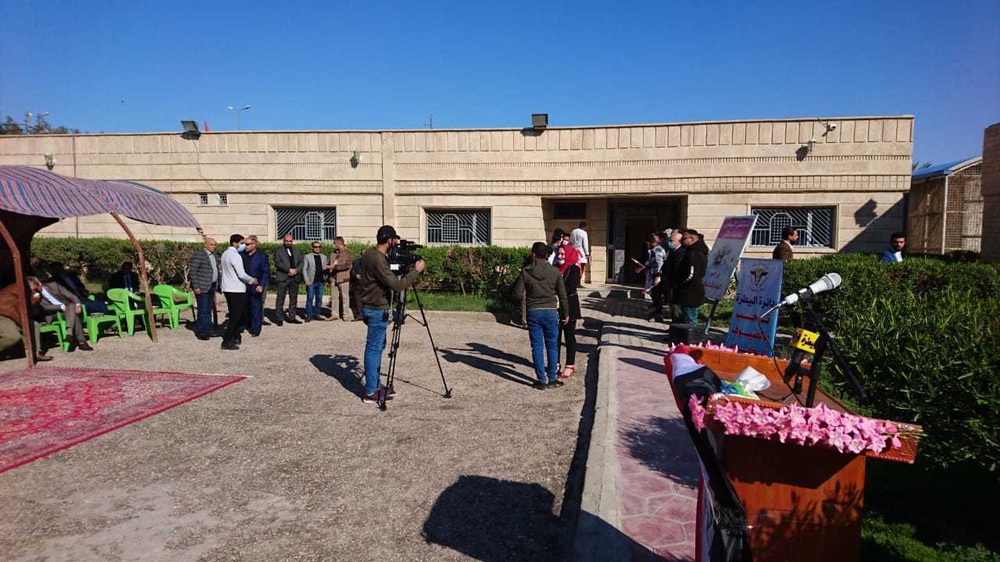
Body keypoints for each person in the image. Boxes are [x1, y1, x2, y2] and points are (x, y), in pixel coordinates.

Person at [358, 225, 426, 403]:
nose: (395, 243)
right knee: (374, 349)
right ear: (389, 240)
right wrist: (416, 271)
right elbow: (397, 286)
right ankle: (371, 391)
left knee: (377, 348)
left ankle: (375, 384)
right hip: (376, 308)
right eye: (394, 240)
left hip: (370, 305)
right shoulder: (379, 260)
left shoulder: (369, 254)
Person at [514, 241, 569, 390]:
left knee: (537, 347)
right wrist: (565, 313)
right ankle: (552, 378)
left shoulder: (525, 272)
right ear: (546, 255)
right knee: (552, 346)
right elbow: (563, 295)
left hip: (533, 311)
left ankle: (541, 380)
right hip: (551, 311)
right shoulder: (555, 272)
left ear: (533, 255)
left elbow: (517, 294)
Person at [220, 234, 258, 351]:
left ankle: (235, 336)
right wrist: (252, 280)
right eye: (241, 243)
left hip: (227, 288)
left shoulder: (225, 254)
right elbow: (241, 274)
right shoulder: (235, 255)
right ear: (235, 243)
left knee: (233, 313)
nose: (243, 246)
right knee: (236, 316)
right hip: (236, 289)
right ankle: (226, 340)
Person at [0, 278, 50, 361]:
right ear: (31, 285)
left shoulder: (24, 290)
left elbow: (26, 309)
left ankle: (36, 353)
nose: (38, 291)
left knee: (35, 325)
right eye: (36, 288)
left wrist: (36, 298)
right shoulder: (19, 288)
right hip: (3, 314)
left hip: (12, 316)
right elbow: (27, 308)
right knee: (13, 337)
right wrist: (35, 297)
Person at [40, 277, 92, 351]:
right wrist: (60, 307)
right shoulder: (35, 295)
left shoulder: (54, 286)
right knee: (74, 314)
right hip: (53, 313)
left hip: (68, 310)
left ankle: (70, 333)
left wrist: (78, 305)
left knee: (72, 306)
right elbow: (44, 307)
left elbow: (72, 296)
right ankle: (81, 342)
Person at [555, 245, 583, 380]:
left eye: (562, 254)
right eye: (558, 254)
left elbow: (571, 287)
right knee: (555, 336)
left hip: (570, 306)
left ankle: (569, 365)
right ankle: (555, 363)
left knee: (569, 335)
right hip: (556, 306)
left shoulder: (574, 268)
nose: (559, 257)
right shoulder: (555, 268)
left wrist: (557, 288)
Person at [672, 229, 708, 325]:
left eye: (683, 239)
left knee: (690, 320)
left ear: (691, 239)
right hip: (685, 291)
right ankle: (680, 338)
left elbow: (690, 274)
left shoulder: (694, 253)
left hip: (690, 291)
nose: (681, 241)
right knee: (683, 318)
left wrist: (679, 283)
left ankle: (691, 339)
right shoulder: (690, 251)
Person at [189, 237, 219, 340]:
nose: (214, 246)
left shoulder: (213, 255)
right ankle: (202, 332)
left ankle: (208, 329)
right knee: (203, 309)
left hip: (211, 285)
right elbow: (193, 271)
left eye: (215, 245)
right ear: (205, 245)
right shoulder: (200, 254)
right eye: (211, 244)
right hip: (202, 287)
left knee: (208, 309)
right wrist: (196, 286)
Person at [273, 233, 304, 325]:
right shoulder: (278, 250)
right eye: (286, 241)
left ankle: (292, 317)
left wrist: (297, 270)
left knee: (293, 298)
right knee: (280, 298)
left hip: (295, 277)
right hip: (283, 277)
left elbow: (301, 262)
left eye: (290, 241)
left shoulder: (297, 250)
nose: (288, 243)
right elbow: (277, 263)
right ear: (283, 240)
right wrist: (288, 270)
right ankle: (279, 318)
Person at [242, 235, 269, 337]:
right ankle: (246, 324)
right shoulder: (242, 255)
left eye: (248, 244)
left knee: (256, 308)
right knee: (245, 307)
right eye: (245, 244)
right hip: (244, 286)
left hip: (256, 286)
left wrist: (262, 285)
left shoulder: (262, 256)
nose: (246, 246)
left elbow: (265, 272)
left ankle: (256, 329)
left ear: (255, 244)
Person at [638, 233, 667, 322]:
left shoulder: (657, 250)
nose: (647, 245)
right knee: (654, 295)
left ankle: (657, 314)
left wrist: (657, 276)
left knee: (656, 296)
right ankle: (656, 313)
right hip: (653, 274)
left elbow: (659, 264)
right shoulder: (654, 249)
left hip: (656, 275)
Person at [302, 241, 329, 322]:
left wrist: (326, 277)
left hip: (321, 281)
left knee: (319, 299)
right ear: (312, 247)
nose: (317, 248)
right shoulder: (307, 257)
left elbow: (326, 269)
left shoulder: (324, 257)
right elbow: (304, 269)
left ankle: (317, 314)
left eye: (319, 247)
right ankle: (309, 315)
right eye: (315, 247)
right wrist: (306, 280)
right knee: (310, 298)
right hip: (311, 281)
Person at [329, 237, 355, 321]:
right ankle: (334, 314)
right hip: (333, 278)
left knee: (345, 297)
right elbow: (331, 264)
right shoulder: (333, 253)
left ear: (339, 243)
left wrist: (335, 267)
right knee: (334, 297)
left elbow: (347, 265)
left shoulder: (349, 253)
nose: (333, 245)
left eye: (334, 243)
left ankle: (346, 314)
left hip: (343, 278)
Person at [569, 221, 590, 286]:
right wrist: (587, 253)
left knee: (574, 266)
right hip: (581, 252)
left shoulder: (573, 231)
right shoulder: (584, 233)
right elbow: (585, 244)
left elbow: (571, 242)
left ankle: (573, 281)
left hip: (574, 251)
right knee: (581, 267)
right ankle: (578, 282)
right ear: (584, 226)